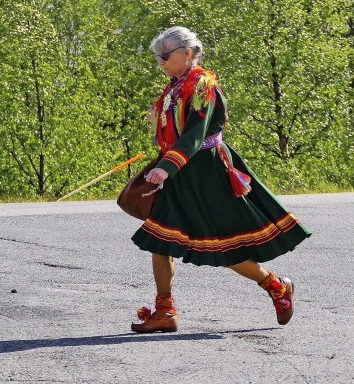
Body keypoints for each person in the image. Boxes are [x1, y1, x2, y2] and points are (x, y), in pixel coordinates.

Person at [130, 26, 311, 334]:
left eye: (165, 56)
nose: (160, 62)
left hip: (207, 173)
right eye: (158, 57)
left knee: (224, 247)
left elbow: (195, 133)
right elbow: (176, 125)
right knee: (160, 239)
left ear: (188, 54)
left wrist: (166, 167)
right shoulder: (176, 85)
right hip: (180, 173)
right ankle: (165, 311)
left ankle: (276, 286)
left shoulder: (203, 85)